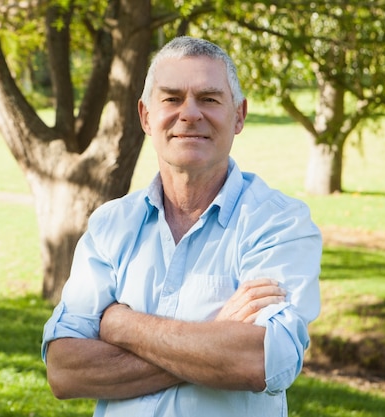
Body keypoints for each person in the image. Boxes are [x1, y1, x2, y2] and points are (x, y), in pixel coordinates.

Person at [41, 36, 321, 416]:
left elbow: (260, 361)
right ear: (145, 116)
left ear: (239, 115)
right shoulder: (112, 225)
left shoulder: (277, 223)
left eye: (209, 99)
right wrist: (213, 338)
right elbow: (64, 370)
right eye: (171, 98)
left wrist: (120, 325)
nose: (189, 113)